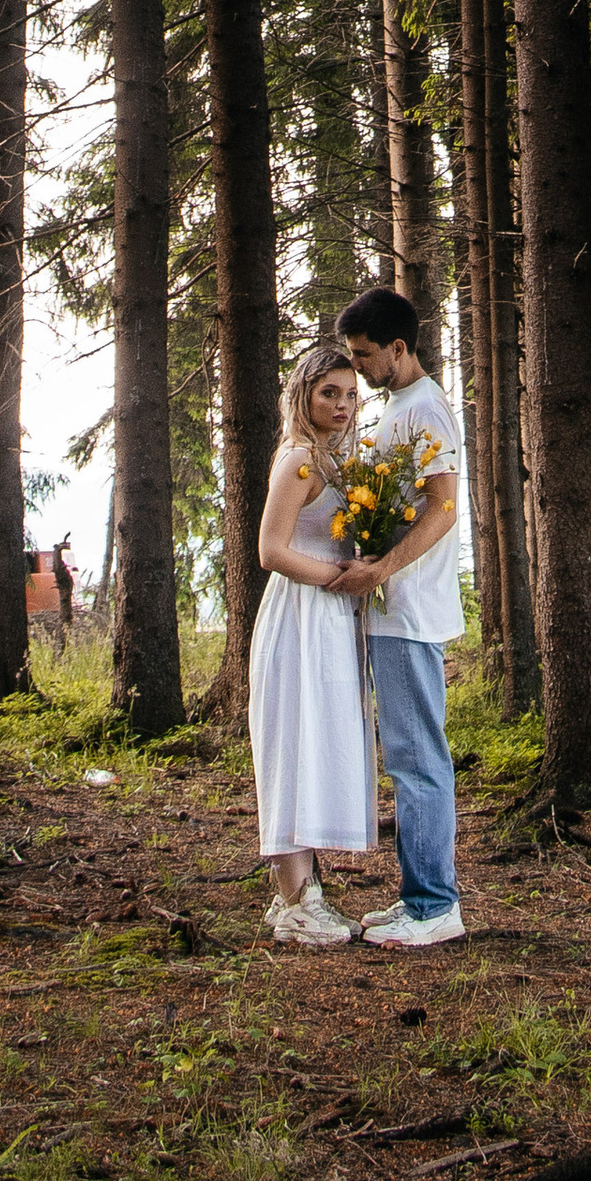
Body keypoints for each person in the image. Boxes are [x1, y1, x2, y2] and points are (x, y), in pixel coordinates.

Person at [335, 286, 467, 949]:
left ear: (398, 348)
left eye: (364, 356)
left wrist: (383, 569)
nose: (356, 367)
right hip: (389, 610)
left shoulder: (428, 411)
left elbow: (444, 510)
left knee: (419, 760)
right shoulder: (397, 406)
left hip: (411, 610)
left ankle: (435, 906)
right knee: (407, 757)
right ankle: (417, 895)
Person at [247, 341, 377, 946]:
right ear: (304, 396)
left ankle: (300, 894)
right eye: (330, 392)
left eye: (351, 393)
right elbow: (271, 551)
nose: (343, 404)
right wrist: (337, 577)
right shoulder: (298, 459)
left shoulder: (336, 461)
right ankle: (296, 902)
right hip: (299, 612)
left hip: (330, 615)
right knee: (293, 743)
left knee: (317, 742)